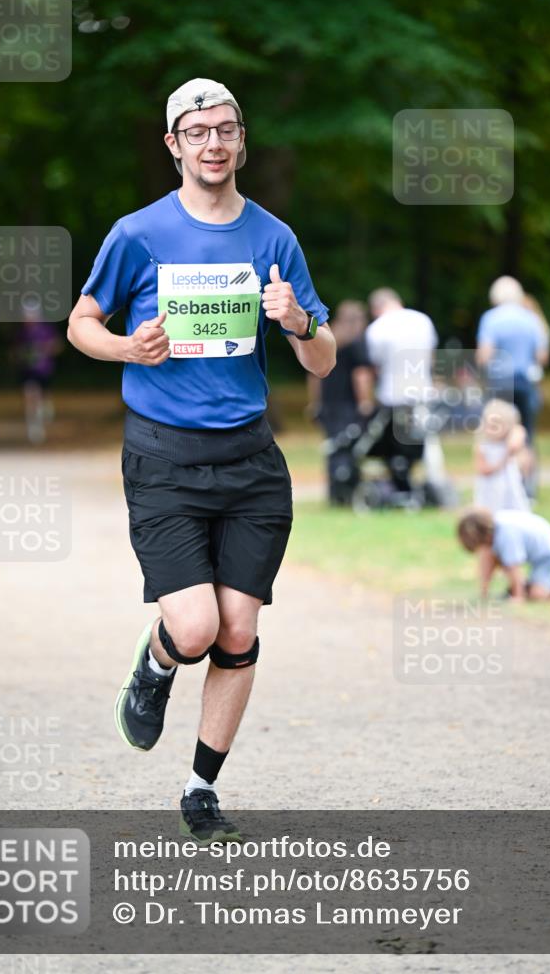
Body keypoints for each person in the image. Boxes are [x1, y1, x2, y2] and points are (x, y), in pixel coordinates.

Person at [67, 79, 335, 843]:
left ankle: (200, 788)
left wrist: (300, 320)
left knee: (238, 629)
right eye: (196, 132)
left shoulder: (273, 237)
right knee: (193, 626)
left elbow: (321, 360)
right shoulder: (138, 234)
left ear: (241, 141)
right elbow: (83, 321)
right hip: (163, 457)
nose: (212, 143)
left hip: (250, 462)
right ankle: (154, 668)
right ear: (173, 145)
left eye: (225, 130)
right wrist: (126, 346)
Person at [364, 287, 438, 494]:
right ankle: (433, 485)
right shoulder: (422, 321)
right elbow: (431, 358)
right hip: (422, 390)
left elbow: (375, 366)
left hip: (392, 395)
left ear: (376, 308)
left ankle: (400, 485)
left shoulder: (377, 328)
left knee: (396, 445)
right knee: (427, 442)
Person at [308, 299, 373, 504]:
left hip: (328, 405)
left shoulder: (327, 339)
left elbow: (313, 374)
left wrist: (315, 402)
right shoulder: (356, 343)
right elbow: (361, 375)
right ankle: (347, 493)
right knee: (349, 448)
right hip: (348, 404)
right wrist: (365, 401)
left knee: (332, 448)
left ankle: (334, 493)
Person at [476, 276, 550, 443]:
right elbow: (542, 356)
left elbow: (485, 355)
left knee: (497, 433)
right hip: (525, 382)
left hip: (500, 383)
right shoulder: (531, 319)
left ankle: (501, 466)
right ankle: (527, 466)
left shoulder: (491, 318)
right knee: (526, 433)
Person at [457, 507, 550, 601]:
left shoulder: (507, 535)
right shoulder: (495, 527)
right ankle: (486, 593)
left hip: (548, 556)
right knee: (488, 554)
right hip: (534, 552)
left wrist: (518, 596)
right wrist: (484, 592)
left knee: (537, 595)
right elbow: (490, 559)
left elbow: (514, 566)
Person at [13, 303, 63, 444]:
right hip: (27, 370)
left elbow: (57, 345)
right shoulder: (21, 333)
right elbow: (15, 351)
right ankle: (34, 428)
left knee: (43, 399)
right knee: (30, 395)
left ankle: (43, 413)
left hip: (44, 369)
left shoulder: (46, 329)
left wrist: (46, 349)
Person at [473, 399, 531, 513]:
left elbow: (518, 437)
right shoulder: (483, 446)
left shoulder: (510, 443)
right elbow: (483, 469)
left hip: (510, 487)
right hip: (489, 488)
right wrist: (503, 461)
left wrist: (514, 431)